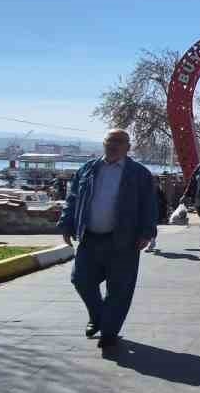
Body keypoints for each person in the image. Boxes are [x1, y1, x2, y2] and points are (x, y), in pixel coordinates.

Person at [60, 129, 157, 351]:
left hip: (124, 240)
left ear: (127, 147)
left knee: (120, 288)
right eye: (109, 141)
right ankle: (98, 316)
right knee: (80, 279)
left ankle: (109, 332)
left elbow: (149, 205)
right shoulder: (88, 169)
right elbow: (72, 198)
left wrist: (147, 232)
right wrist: (66, 223)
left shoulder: (138, 173)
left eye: (119, 142)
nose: (113, 145)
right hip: (90, 237)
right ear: (103, 144)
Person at [146, 178, 168, 253]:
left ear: (158, 182)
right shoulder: (147, 190)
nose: (154, 183)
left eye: (155, 182)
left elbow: (165, 204)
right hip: (148, 212)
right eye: (153, 181)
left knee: (153, 226)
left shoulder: (160, 192)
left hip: (156, 212)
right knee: (149, 227)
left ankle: (152, 243)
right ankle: (152, 242)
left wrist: (165, 216)